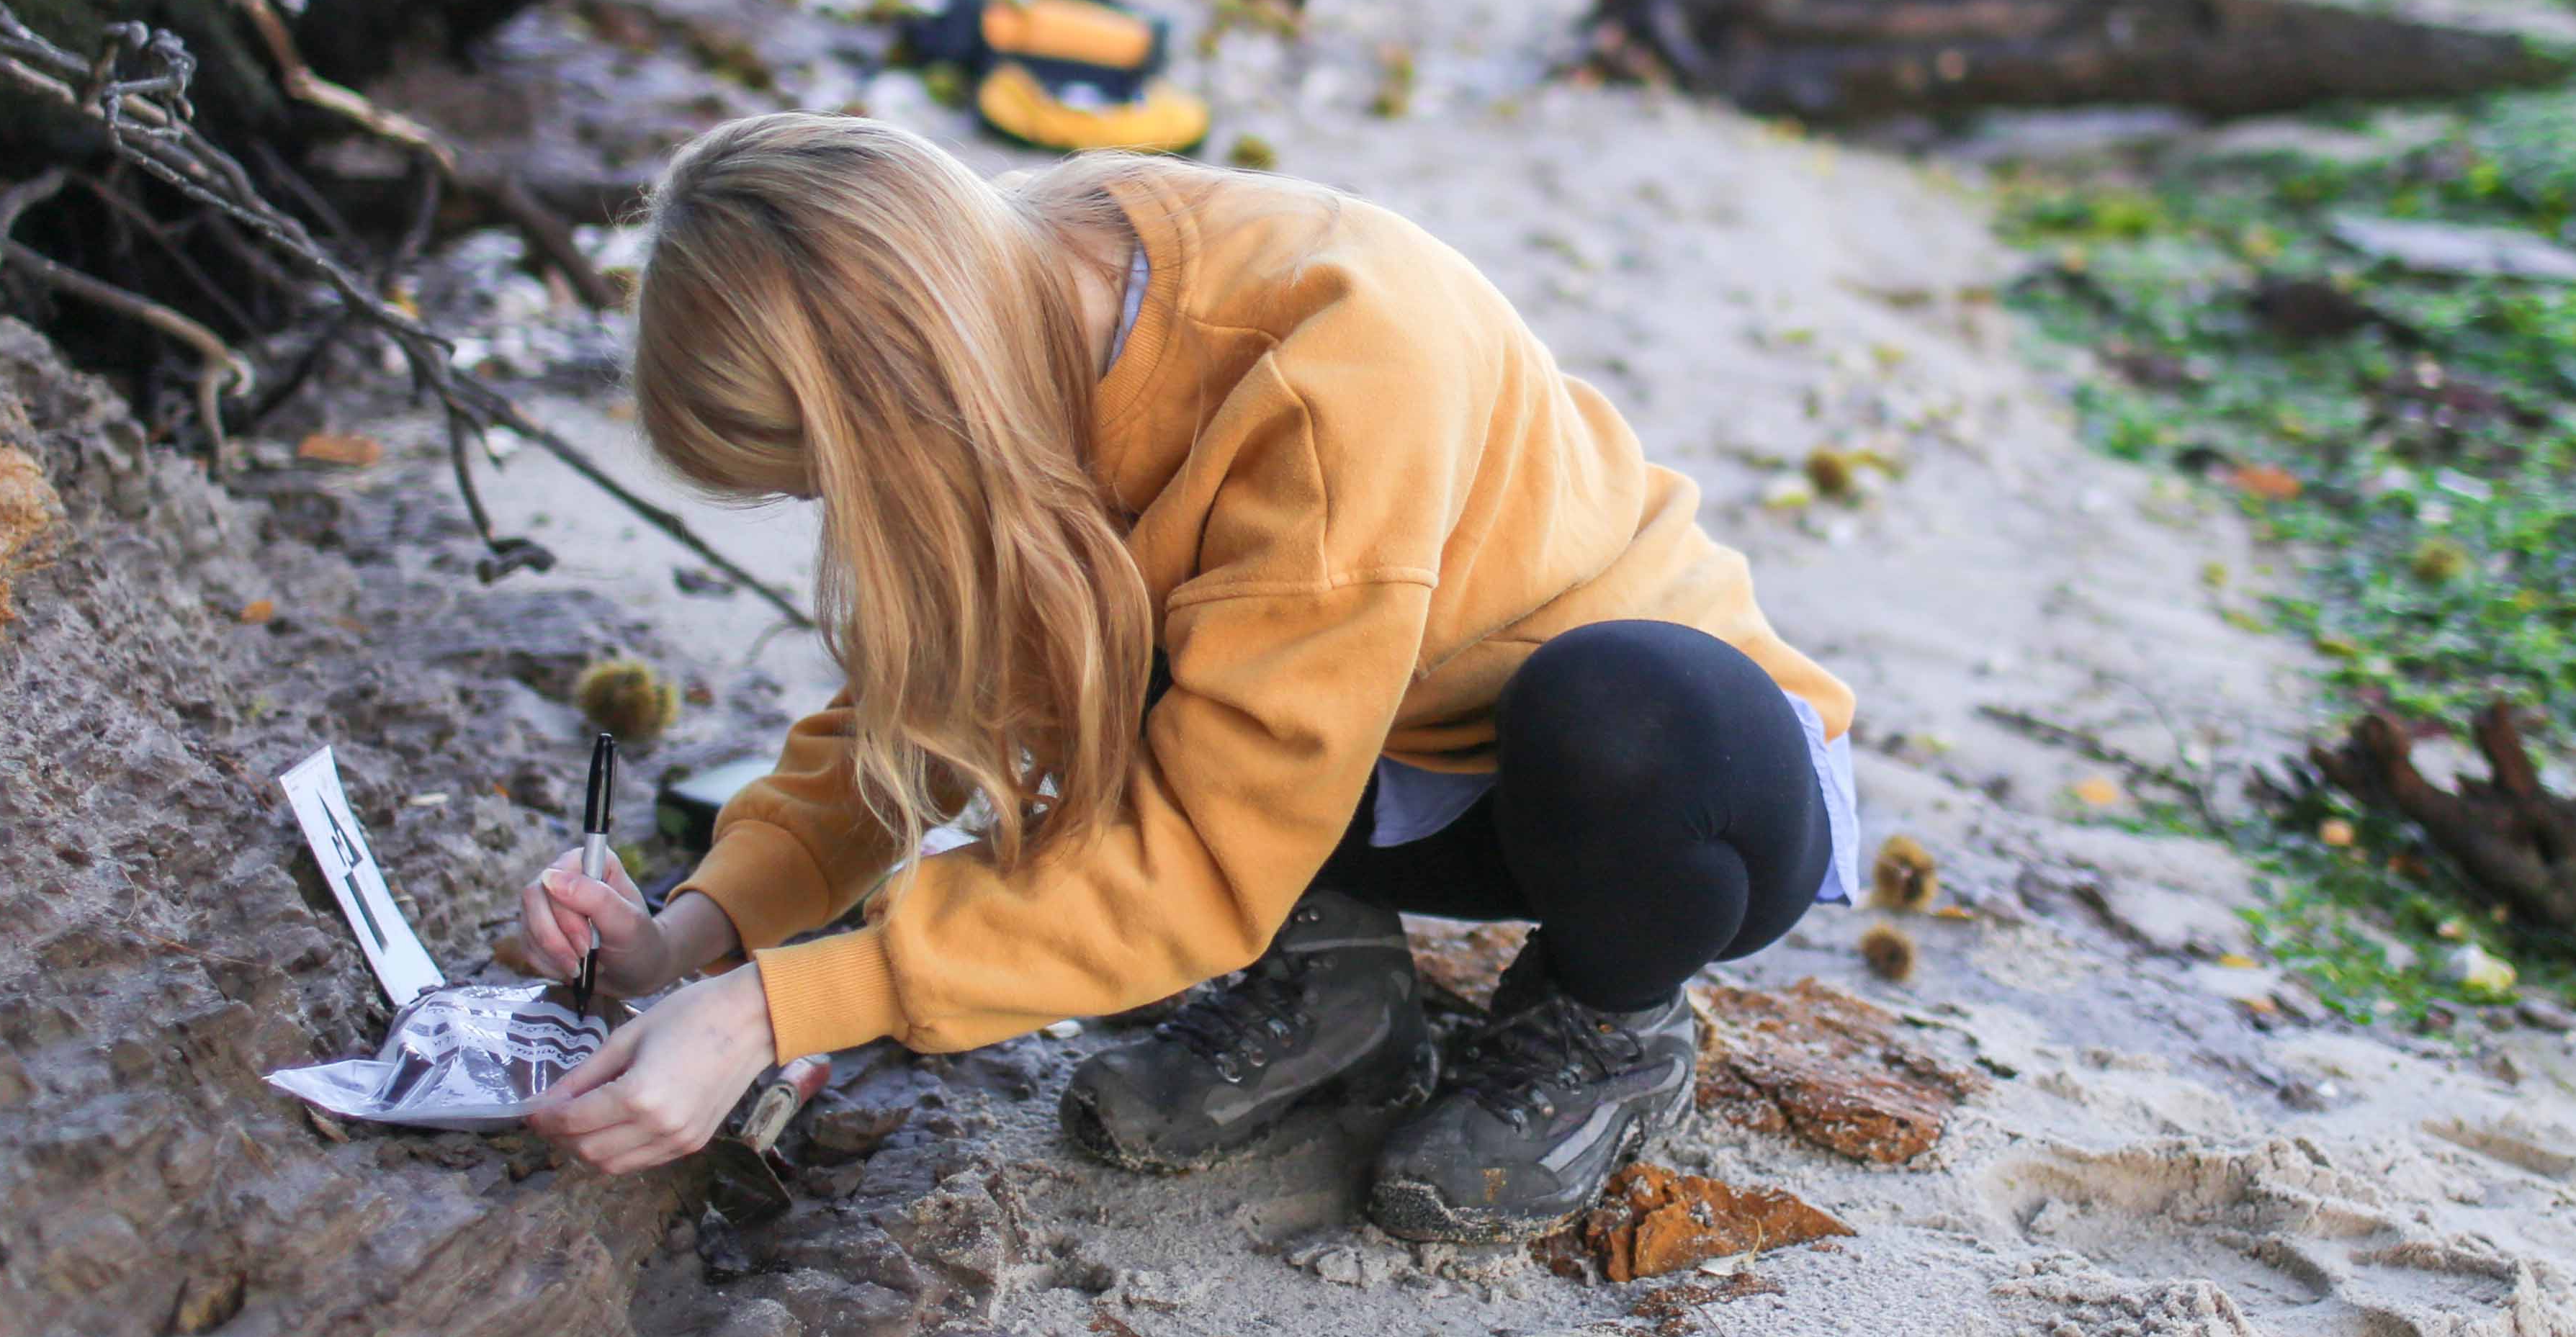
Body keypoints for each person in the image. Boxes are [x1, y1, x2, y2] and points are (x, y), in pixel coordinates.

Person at [511, 113, 1861, 1240]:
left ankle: (1612, 1026)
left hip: (1654, 791)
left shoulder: (1328, 360)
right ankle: (1338, 979)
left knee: (1621, 716)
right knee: (1095, 616)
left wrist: (769, 1013)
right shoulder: (1007, 309)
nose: (846, 523)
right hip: (1348, 750)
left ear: (904, 409)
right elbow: (924, 703)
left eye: (830, 483)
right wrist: (698, 932)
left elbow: (1207, 861)